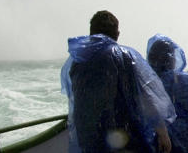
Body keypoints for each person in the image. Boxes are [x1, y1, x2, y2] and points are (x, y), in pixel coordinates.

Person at [60, 10, 176, 153]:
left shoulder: (77, 61)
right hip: (123, 140)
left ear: (91, 32)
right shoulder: (124, 56)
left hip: (89, 140)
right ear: (117, 34)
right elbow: (146, 95)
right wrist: (162, 131)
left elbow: (75, 97)